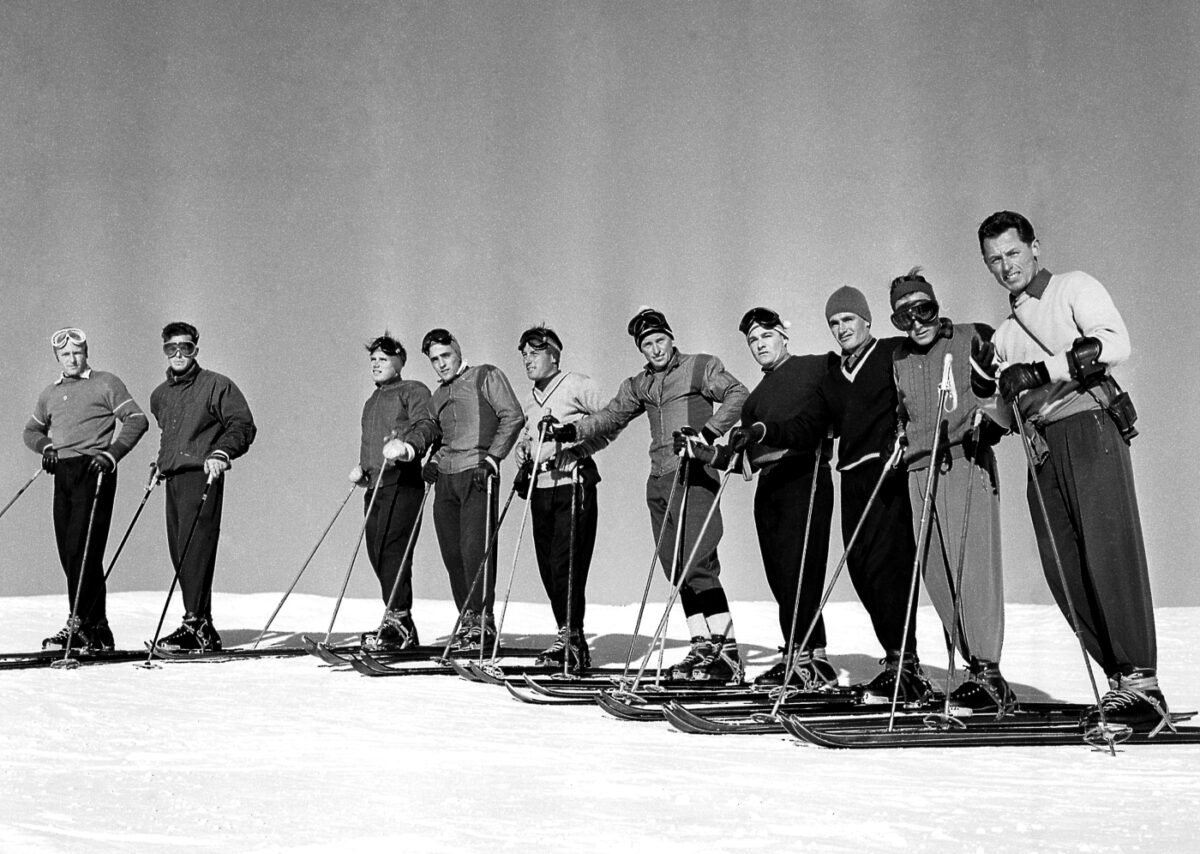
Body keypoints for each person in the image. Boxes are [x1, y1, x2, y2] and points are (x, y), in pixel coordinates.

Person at [976, 210, 1165, 728]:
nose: (1006, 265)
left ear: (1035, 247)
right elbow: (1003, 412)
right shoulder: (1004, 335)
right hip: (1041, 447)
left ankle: (1143, 681)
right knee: (1063, 567)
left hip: (1088, 425)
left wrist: (1040, 370)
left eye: (1013, 252)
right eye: (994, 259)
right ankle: (1121, 682)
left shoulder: (1072, 287)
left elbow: (1114, 343)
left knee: (1109, 552)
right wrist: (980, 396)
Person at [732, 287, 934, 705]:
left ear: (866, 320)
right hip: (851, 476)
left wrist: (909, 427)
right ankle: (895, 662)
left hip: (888, 469)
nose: (842, 328)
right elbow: (807, 425)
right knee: (861, 567)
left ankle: (905, 665)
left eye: (848, 319)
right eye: (834, 323)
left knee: (890, 565)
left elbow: (922, 366)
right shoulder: (835, 377)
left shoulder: (891, 353)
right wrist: (764, 431)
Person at [548, 308, 748, 682]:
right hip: (658, 481)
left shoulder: (699, 366)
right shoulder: (639, 384)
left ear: (671, 338)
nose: (655, 349)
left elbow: (738, 394)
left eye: (660, 340)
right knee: (676, 568)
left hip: (692, 473)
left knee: (698, 561)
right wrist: (572, 431)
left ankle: (729, 654)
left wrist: (707, 434)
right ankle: (702, 647)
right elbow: (611, 416)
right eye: (647, 344)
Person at [888, 268, 1014, 714]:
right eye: (904, 317)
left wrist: (995, 420)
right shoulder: (899, 358)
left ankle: (989, 673)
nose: (916, 323)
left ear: (935, 305)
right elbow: (904, 409)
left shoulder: (971, 337)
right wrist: (901, 434)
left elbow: (1003, 389)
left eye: (923, 310)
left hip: (964, 459)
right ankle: (973, 669)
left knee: (972, 568)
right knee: (937, 575)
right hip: (918, 471)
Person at [23, 327, 148, 651]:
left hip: (94, 469)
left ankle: (79, 624)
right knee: (70, 551)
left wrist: (112, 454)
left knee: (83, 548)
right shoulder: (50, 393)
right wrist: (46, 447)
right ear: (58, 357)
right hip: (62, 473)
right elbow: (31, 430)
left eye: (77, 352)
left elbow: (136, 419)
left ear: (86, 352)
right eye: (65, 354)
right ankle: (97, 629)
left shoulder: (105, 382)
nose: (72, 358)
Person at [733, 308, 839, 689]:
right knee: (780, 574)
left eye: (766, 336)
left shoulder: (817, 366)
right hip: (768, 483)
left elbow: (845, 393)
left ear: (783, 336)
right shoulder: (754, 400)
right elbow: (741, 456)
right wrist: (703, 451)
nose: (760, 345)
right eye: (752, 341)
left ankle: (816, 659)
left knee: (802, 568)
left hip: (804, 471)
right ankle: (795, 655)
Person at [150, 322, 256, 652]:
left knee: (196, 548)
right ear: (165, 351)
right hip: (174, 478)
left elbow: (242, 425)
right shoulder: (160, 395)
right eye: (172, 348)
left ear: (196, 348)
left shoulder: (215, 385)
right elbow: (170, 435)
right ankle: (199, 624)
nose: (179, 354)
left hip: (202, 473)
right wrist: (160, 462)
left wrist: (221, 452)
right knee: (179, 550)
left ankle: (196, 623)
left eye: (186, 347)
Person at [420, 328, 524, 649]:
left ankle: (483, 622)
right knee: (452, 554)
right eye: (434, 360)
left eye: (445, 356)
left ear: (457, 350)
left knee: (473, 548)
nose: (441, 364)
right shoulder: (438, 396)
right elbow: (438, 436)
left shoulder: (485, 376)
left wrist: (493, 458)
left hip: (478, 472)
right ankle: (467, 620)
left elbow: (513, 416)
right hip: (446, 481)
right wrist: (433, 460)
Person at [513, 325, 609, 672]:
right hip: (541, 489)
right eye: (524, 354)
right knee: (548, 568)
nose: (528, 360)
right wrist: (523, 449)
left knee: (566, 564)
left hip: (573, 484)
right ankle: (565, 635)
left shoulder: (577, 384)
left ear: (554, 354)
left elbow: (610, 421)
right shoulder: (529, 398)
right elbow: (527, 434)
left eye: (535, 353)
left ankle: (573, 639)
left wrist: (579, 448)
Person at [351, 333, 438, 651]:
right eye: (372, 359)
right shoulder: (372, 401)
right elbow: (371, 444)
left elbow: (427, 425)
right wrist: (362, 468)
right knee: (376, 551)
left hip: (403, 481)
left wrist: (408, 448)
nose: (376, 364)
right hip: (375, 486)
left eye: (383, 359)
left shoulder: (412, 390)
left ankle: (399, 621)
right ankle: (395, 620)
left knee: (392, 550)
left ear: (400, 362)